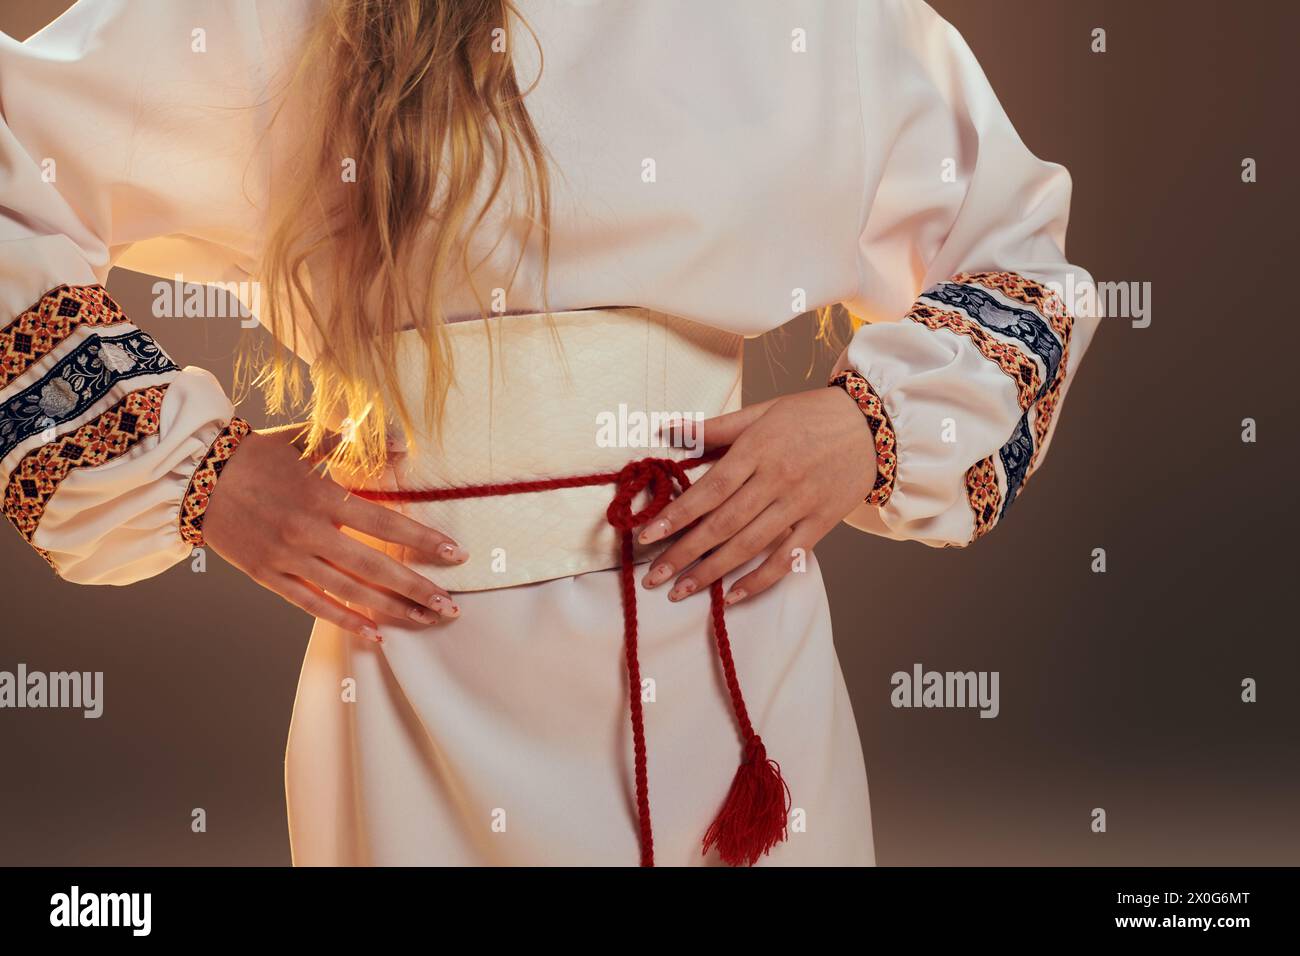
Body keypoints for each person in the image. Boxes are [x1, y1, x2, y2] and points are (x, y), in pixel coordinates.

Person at [0, 0, 1098, 866]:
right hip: (413, 673)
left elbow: (1017, 252)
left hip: (727, 652)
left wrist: (862, 427)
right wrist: (197, 468)